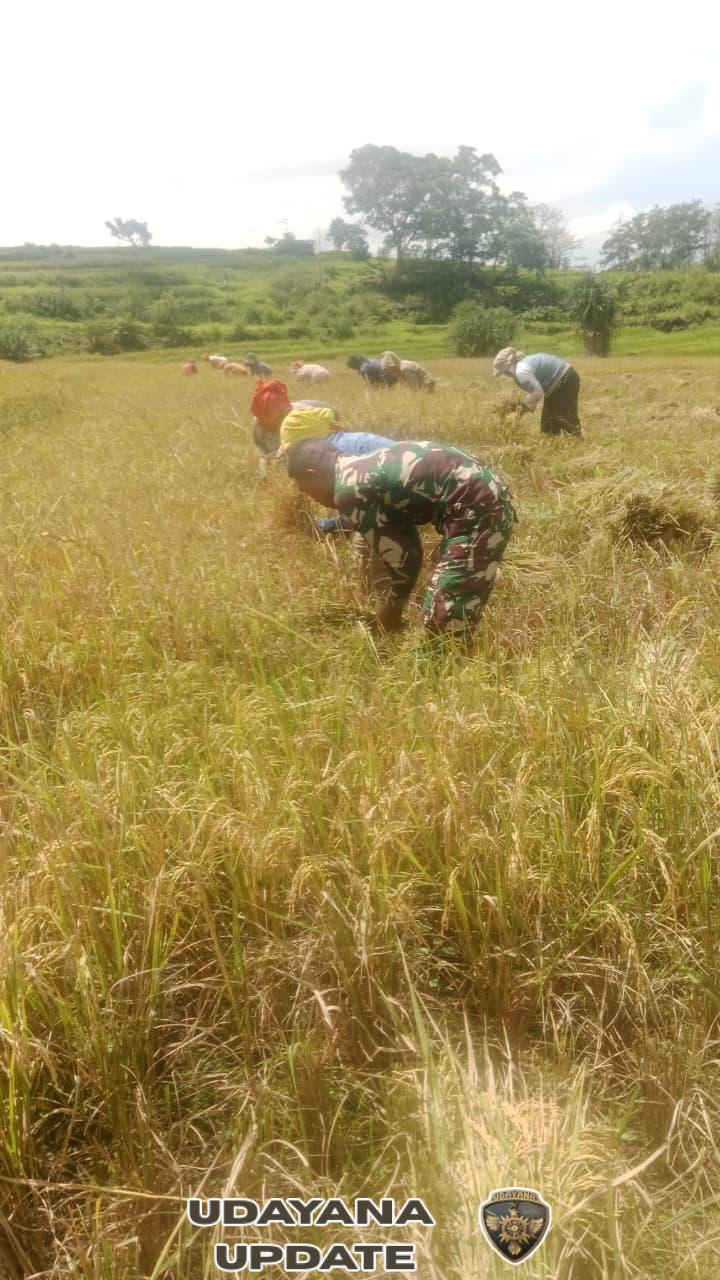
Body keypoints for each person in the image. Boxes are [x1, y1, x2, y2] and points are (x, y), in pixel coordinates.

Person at [286, 438, 516, 636]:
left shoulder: (348, 491)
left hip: (478, 508)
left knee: (443, 625)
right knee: (451, 584)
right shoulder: (361, 465)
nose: (312, 499)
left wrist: (391, 609)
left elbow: (405, 559)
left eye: (306, 491)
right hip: (481, 498)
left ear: (312, 475)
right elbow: (409, 546)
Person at [250, 380, 338, 477]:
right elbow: (265, 452)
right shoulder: (258, 427)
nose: (284, 419)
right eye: (277, 417)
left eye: (283, 414)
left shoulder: (304, 414)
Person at [492, 348, 582, 436]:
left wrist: (519, 413)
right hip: (557, 383)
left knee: (566, 418)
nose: (506, 375)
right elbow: (534, 390)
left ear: (508, 368)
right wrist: (518, 407)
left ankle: (577, 442)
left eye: (504, 372)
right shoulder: (522, 365)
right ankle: (551, 442)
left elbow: (537, 392)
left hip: (564, 379)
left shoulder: (521, 371)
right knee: (548, 425)